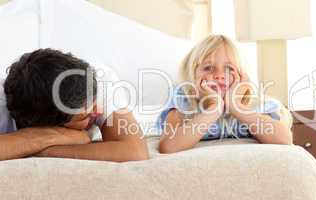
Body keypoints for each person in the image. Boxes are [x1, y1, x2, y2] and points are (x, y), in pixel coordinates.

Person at [0, 49, 148, 162]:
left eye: (94, 100)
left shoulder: (98, 81)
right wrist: (44, 138)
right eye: (86, 116)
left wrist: (46, 150)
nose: (99, 111)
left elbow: (135, 152)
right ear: (49, 125)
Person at [157, 35, 293, 153]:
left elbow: (284, 139)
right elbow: (168, 147)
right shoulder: (184, 99)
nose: (219, 75)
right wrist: (213, 109)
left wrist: (236, 106)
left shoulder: (255, 104)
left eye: (229, 68)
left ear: (242, 76)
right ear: (192, 76)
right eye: (208, 68)